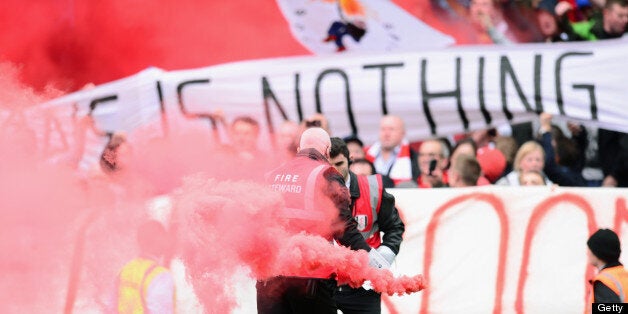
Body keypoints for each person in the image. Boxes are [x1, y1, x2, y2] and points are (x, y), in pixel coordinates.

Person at [257, 127, 378, 314]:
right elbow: (342, 226)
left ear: (299, 150)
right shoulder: (326, 175)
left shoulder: (271, 175)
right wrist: (368, 256)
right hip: (310, 277)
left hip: (269, 277)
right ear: (328, 151)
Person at [329, 137, 405, 314]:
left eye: (339, 163)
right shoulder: (313, 190)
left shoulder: (373, 189)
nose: (334, 171)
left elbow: (395, 227)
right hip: (325, 282)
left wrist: (382, 258)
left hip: (364, 284)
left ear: (350, 160)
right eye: (328, 165)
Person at [115, 220, 175, 314]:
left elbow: (111, 308)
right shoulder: (161, 276)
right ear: (158, 240)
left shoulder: (125, 270)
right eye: (164, 236)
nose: (168, 240)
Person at [365, 115, 420, 187]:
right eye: (383, 129)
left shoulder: (414, 158)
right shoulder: (365, 155)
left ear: (403, 133)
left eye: (391, 129)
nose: (386, 134)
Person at [586, 229, 628, 303]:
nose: (587, 253)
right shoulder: (624, 275)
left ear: (598, 253)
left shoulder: (604, 282)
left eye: (590, 249)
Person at [556, 0, 628, 40]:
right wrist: (563, 19)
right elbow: (570, 31)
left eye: (627, 16)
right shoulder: (588, 30)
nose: (626, 20)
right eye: (620, 16)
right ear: (606, 13)